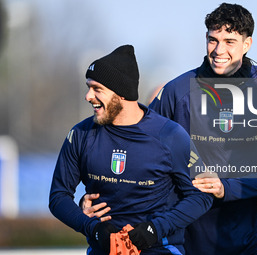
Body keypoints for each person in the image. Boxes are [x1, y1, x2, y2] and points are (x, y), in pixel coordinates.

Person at [82, 3, 257, 254]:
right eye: (213, 40)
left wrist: (226, 187)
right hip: (197, 235)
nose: (219, 50)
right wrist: (98, 197)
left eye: (229, 41)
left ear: (247, 44)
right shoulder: (177, 91)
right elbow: (134, 148)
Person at [49, 45, 213, 255]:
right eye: (88, 87)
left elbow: (201, 196)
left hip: (160, 249)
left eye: (97, 89)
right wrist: (93, 228)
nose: (88, 96)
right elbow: (58, 196)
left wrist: (156, 229)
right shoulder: (81, 134)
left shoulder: (170, 135)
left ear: (122, 93)